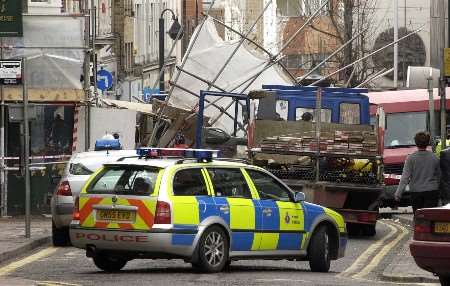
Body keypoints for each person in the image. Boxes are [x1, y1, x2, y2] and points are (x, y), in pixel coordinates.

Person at [395, 131, 440, 213]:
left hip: (416, 192)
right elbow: (439, 176)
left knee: (419, 217)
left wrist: (398, 193)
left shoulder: (410, 158)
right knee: (430, 216)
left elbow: (405, 178)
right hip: (432, 191)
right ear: (428, 142)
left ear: (416, 143)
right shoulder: (435, 158)